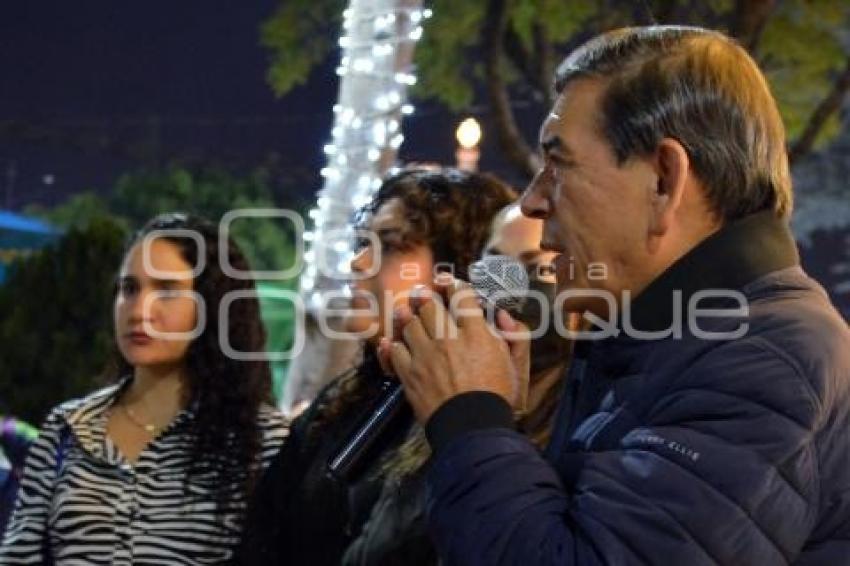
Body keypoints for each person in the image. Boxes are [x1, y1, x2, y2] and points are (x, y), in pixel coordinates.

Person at [382, 26, 850, 565]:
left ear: (663, 181)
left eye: (559, 164)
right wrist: (497, 412)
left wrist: (470, 418)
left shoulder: (766, 361)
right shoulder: (660, 336)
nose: (532, 201)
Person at [235, 168, 516, 565]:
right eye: (362, 243)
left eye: (390, 245)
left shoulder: (482, 425)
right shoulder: (341, 402)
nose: (358, 262)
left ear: (459, 270)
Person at [0, 213, 288, 564]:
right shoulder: (69, 428)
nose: (139, 310)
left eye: (166, 289)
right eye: (129, 288)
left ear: (212, 304)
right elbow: (19, 556)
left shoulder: (263, 440)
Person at [341, 203, 575, 566]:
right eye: (493, 263)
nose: (504, 286)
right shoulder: (442, 390)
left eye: (535, 268)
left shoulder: (579, 423)